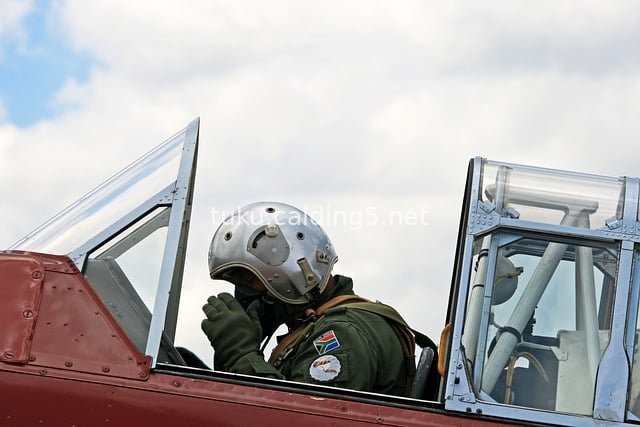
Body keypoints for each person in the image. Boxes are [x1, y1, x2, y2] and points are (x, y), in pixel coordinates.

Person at [201, 202, 435, 396]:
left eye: (250, 281)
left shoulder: (341, 334)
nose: (244, 295)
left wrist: (241, 355)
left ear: (292, 271)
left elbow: (297, 418)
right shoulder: (318, 327)